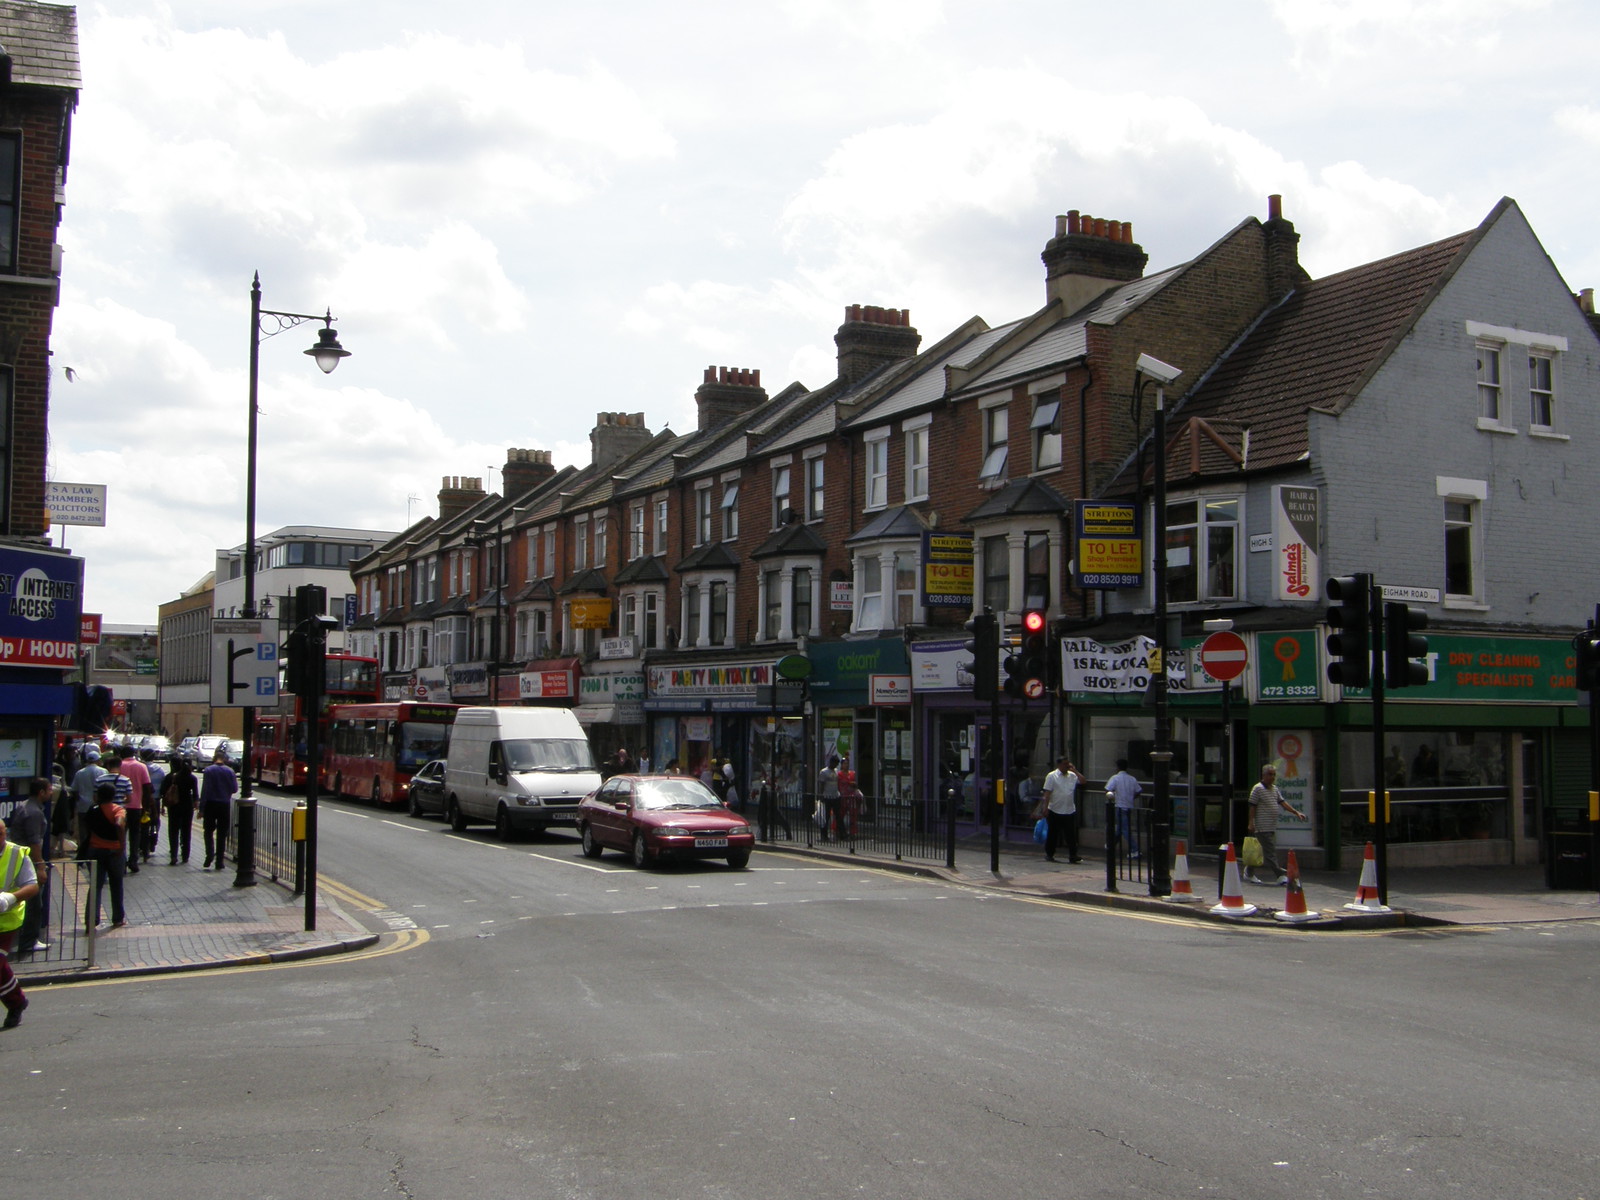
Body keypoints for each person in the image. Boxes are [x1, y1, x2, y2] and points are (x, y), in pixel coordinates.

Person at [0, 816, 41, 1028]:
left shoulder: (17, 854)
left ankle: (16, 1004)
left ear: (5, 833)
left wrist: (11, 898)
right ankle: (18, 1001)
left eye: (0, 834)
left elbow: (32, 886)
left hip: (6, 920)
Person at [1246, 763, 1306, 885]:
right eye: (1270, 774)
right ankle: (1279, 875)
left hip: (1271, 826)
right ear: (1264, 775)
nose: (1272, 777)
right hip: (1262, 826)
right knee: (1270, 852)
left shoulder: (1274, 789)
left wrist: (1296, 812)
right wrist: (1251, 823)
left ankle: (1249, 871)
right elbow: (1252, 807)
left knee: (1261, 851)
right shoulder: (1258, 788)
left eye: (1274, 775)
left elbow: (1282, 803)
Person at [11, 777, 51, 955]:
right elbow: (34, 842)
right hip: (29, 862)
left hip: (23, 861)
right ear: (41, 792)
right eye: (49, 789)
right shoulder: (34, 812)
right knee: (34, 903)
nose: (51, 792)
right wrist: (40, 866)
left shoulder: (24, 806)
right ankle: (29, 941)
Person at [85, 779, 128, 930]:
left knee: (95, 885)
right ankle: (117, 918)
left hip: (95, 850)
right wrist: (122, 846)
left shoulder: (93, 809)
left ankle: (91, 920)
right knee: (116, 884)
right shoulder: (118, 810)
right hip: (114, 852)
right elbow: (119, 824)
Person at [1039, 755, 1083, 863]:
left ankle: (1073, 855)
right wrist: (1045, 807)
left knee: (1070, 834)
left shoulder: (1072, 776)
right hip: (1055, 809)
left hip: (1069, 809)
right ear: (1059, 765)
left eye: (1068, 764)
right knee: (1053, 833)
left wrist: (1075, 770)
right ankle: (1050, 853)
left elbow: (1083, 781)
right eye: (1064, 764)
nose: (1067, 766)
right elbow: (1047, 793)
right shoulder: (1052, 776)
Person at [199, 747, 237, 871]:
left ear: (214, 758)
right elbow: (235, 789)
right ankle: (219, 861)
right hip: (224, 805)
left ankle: (209, 854)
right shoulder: (230, 771)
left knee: (208, 831)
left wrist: (201, 808)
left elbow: (205, 790)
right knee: (222, 834)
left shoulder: (208, 770)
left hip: (210, 804)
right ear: (224, 759)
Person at [161, 755, 200, 864]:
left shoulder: (172, 777)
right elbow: (196, 795)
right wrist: (196, 804)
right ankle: (185, 855)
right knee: (186, 831)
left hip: (174, 806)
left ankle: (174, 855)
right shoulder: (192, 778)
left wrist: (163, 805)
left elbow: (163, 792)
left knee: (173, 831)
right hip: (187, 806)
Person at [69, 746, 107, 854]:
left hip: (83, 806)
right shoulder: (103, 771)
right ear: (97, 760)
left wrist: (78, 800)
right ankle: (96, 848)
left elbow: (74, 790)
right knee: (97, 829)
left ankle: (84, 850)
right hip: (98, 806)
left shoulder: (80, 773)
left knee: (83, 830)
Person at [1105, 759, 1143, 859]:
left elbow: (1108, 789)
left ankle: (1135, 850)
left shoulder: (1115, 778)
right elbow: (1139, 791)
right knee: (1120, 828)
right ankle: (1110, 844)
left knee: (1125, 830)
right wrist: (1131, 797)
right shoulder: (1132, 779)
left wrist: (1115, 795)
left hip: (1120, 806)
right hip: (1129, 806)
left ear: (1117, 767)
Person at [142, 748, 167, 858]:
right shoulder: (160, 770)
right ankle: (154, 839)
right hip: (156, 799)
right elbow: (163, 785)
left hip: (143, 800)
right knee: (155, 821)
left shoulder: (141, 768)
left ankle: (143, 843)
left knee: (142, 822)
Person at [817, 754, 841, 841]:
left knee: (838, 816)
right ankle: (824, 835)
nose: (835, 766)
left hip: (835, 796)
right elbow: (821, 785)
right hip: (827, 797)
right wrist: (821, 796)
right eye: (835, 763)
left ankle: (838, 834)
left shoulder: (836, 771)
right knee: (825, 817)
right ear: (831, 762)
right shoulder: (824, 772)